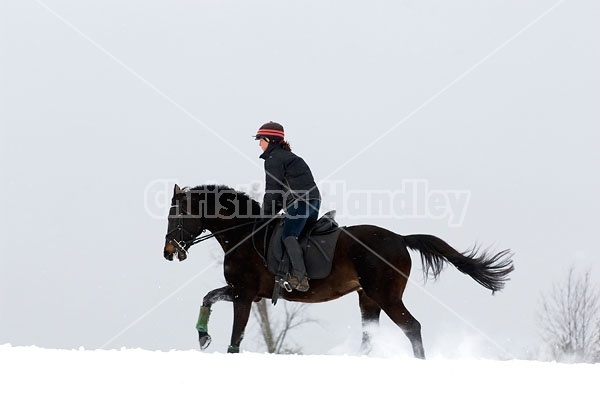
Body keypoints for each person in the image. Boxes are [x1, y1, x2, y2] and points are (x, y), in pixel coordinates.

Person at [255, 121, 321, 292]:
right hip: (313, 202)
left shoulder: (273, 159)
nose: (259, 144)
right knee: (300, 236)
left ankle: (300, 277)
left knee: (289, 235)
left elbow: (273, 191)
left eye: (260, 140)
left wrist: (264, 217)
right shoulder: (289, 157)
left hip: (300, 202)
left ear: (269, 140)